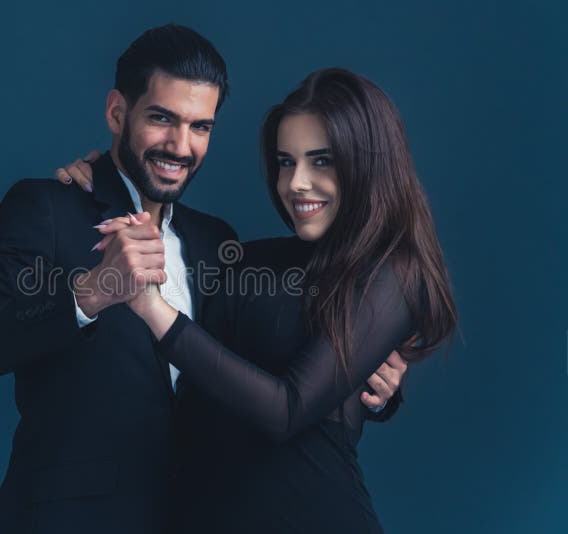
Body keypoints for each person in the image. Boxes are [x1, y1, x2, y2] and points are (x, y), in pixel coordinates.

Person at [0, 24, 403, 533]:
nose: (180, 146)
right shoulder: (47, 208)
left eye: (200, 127)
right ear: (117, 112)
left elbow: (266, 375)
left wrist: (371, 379)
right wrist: (88, 295)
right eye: (162, 119)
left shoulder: (218, 244)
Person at [58, 68, 456, 532]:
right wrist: (104, 182)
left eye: (321, 161)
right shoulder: (251, 258)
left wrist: (151, 307)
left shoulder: (394, 273)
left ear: (368, 163)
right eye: (287, 162)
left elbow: (286, 411)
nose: (296, 183)